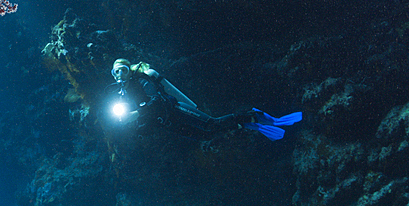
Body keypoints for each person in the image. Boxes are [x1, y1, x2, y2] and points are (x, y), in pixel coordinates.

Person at [107, 58, 302, 140]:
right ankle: (247, 123)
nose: (120, 75)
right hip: (168, 123)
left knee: (211, 124)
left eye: (123, 70)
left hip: (174, 110)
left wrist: (136, 114)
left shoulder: (141, 81)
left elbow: (157, 101)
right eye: (116, 72)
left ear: (129, 70)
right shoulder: (123, 94)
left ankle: (254, 115)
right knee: (206, 135)